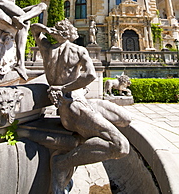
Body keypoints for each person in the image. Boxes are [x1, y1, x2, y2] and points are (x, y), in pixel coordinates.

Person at [31, 19, 131, 194]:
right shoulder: (78, 50)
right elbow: (90, 76)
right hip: (73, 107)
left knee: (126, 118)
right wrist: (64, 89)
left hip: (81, 102)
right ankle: (62, 163)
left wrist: (47, 30)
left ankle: (88, 143)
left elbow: (34, 28)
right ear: (71, 34)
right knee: (121, 146)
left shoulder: (46, 49)